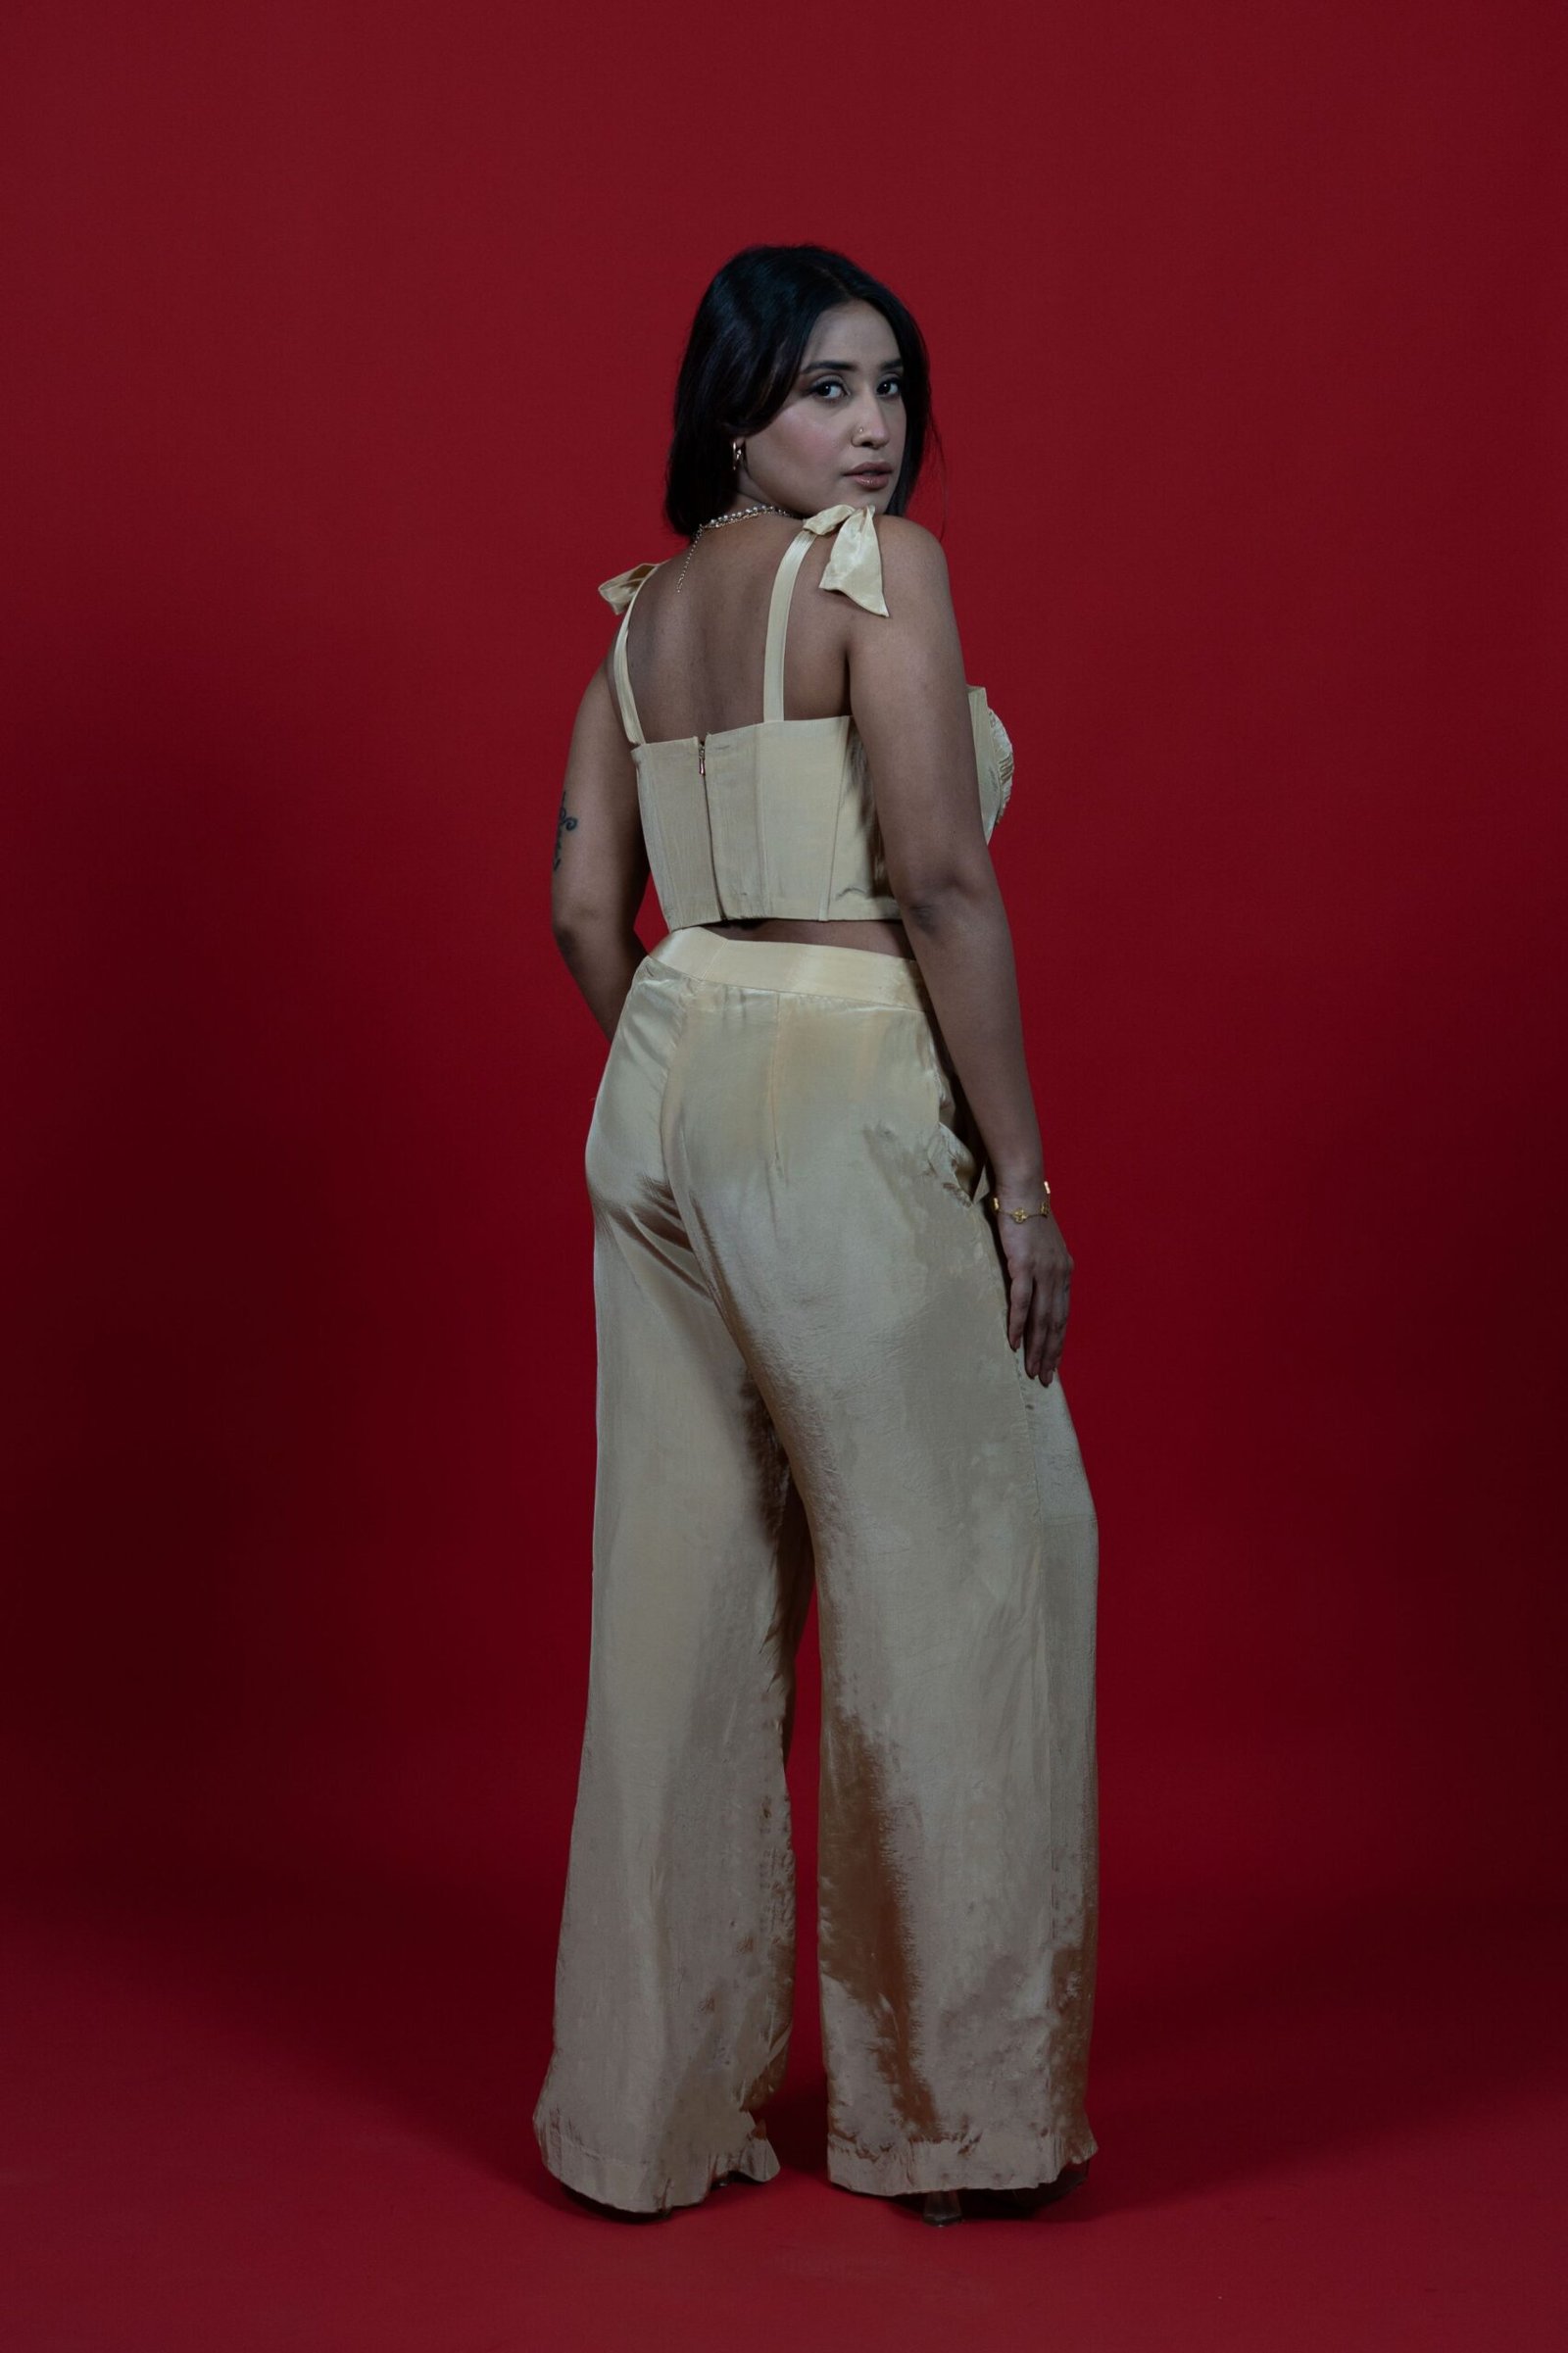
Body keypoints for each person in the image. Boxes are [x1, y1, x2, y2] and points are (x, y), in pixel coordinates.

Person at [533, 243, 1100, 2229]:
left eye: (887, 387)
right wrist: (1018, 1183)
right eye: (820, 389)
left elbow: (582, 912)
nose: (869, 428)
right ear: (732, 410)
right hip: (840, 1071)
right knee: (961, 1566)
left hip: (670, 1064)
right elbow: (938, 883)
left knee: (674, 1594)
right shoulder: (879, 573)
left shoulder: (637, 629)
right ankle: (958, 2115)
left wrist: (689, 1087)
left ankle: (637, 2116)